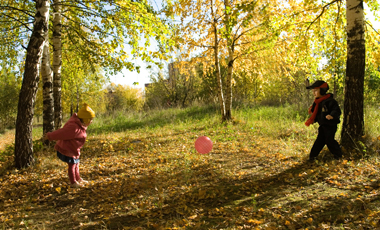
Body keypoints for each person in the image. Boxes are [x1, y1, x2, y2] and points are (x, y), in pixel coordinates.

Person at [44, 103, 95, 187]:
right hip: (68, 149)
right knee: (72, 165)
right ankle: (73, 182)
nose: (91, 121)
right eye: (90, 119)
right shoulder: (74, 127)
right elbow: (62, 133)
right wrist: (50, 136)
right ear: (85, 119)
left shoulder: (80, 125)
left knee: (76, 164)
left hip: (74, 149)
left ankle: (78, 178)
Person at [305, 80, 342, 162]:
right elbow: (317, 113)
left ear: (322, 90)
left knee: (330, 141)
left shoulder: (330, 101)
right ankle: (312, 157)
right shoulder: (317, 102)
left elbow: (336, 110)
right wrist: (313, 116)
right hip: (322, 125)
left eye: (316, 91)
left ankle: (338, 155)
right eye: (313, 91)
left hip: (330, 125)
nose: (314, 93)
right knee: (319, 141)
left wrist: (332, 115)